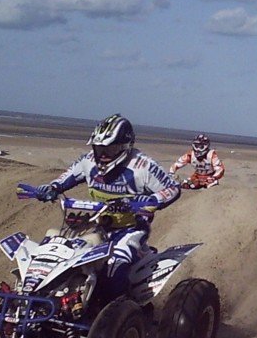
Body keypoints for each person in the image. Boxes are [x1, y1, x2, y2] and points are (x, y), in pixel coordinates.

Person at [34, 113, 181, 301]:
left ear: (125, 147)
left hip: (130, 228)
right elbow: (67, 177)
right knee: (57, 255)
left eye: (110, 149)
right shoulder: (88, 161)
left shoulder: (143, 166)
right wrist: (52, 188)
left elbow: (172, 188)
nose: (103, 155)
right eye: (99, 148)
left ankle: (122, 313)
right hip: (94, 225)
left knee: (115, 268)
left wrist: (145, 202)